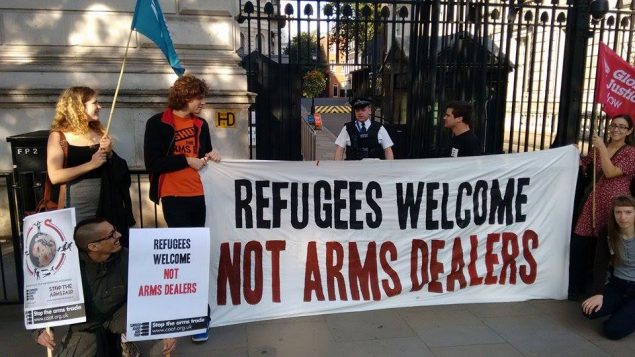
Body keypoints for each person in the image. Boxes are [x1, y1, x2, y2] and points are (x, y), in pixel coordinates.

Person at [143, 74, 220, 342]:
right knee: (185, 257)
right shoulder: (158, 123)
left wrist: (211, 156)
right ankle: (191, 315)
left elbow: (204, 155)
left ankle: (199, 316)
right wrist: (186, 160)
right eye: (199, 98)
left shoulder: (201, 124)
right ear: (185, 97)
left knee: (196, 256)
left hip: (198, 195)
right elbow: (153, 163)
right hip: (173, 195)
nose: (203, 103)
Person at [35, 218, 177, 356]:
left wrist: (165, 328)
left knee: (161, 347)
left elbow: (155, 290)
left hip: (121, 317)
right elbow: (42, 298)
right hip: (87, 327)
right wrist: (39, 331)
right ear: (93, 247)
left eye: (115, 230)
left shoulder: (127, 257)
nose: (119, 235)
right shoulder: (66, 268)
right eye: (111, 235)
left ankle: (126, 341)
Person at [46, 87, 135, 246]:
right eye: (95, 103)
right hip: (76, 205)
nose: (99, 106)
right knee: (79, 248)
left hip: (107, 202)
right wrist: (90, 164)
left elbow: (116, 170)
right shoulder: (58, 136)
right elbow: (55, 176)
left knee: (108, 246)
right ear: (79, 107)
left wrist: (109, 154)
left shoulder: (99, 133)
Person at [569, 114, 635, 299]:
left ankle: (597, 288)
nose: (616, 129)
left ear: (629, 131)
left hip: (615, 206)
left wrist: (603, 151)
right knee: (580, 242)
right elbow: (583, 163)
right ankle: (575, 286)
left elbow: (610, 171)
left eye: (622, 127)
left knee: (604, 246)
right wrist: (573, 153)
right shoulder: (600, 148)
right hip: (594, 203)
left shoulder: (631, 153)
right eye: (614, 125)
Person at [581, 195, 635, 340]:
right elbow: (600, 262)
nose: (623, 217)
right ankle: (625, 309)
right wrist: (599, 292)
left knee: (612, 331)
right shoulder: (608, 232)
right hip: (618, 284)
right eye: (618, 212)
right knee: (589, 311)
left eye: (628, 212)